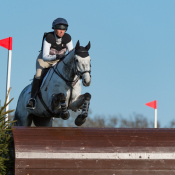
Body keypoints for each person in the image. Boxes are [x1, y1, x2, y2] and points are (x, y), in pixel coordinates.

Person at [26, 18, 73, 109]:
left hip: (58, 61)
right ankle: (32, 99)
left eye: (63, 29)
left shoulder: (68, 38)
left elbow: (71, 54)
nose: (61, 31)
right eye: (59, 29)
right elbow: (45, 56)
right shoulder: (49, 37)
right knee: (38, 75)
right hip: (44, 60)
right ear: (54, 29)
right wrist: (57, 57)